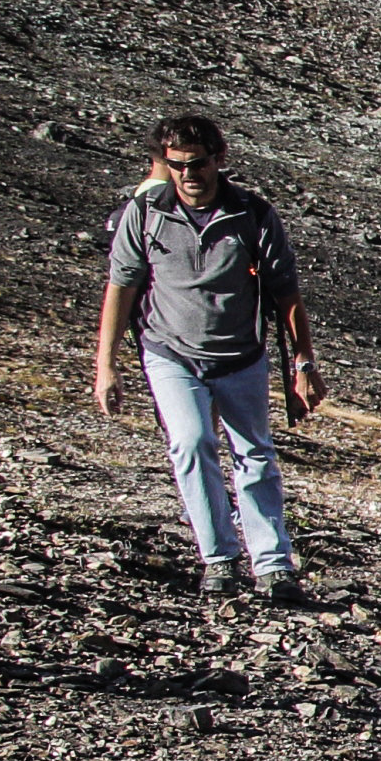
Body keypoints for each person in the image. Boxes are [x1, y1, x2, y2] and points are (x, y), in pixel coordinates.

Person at [90, 113, 324, 603]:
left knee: (254, 455)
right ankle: (218, 559)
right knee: (192, 443)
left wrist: (304, 365)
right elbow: (121, 288)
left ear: (220, 160)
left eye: (197, 164)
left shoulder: (252, 215)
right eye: (176, 165)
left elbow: (286, 294)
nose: (188, 175)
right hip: (170, 352)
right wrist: (106, 367)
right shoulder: (145, 213)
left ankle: (273, 566)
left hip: (240, 354)